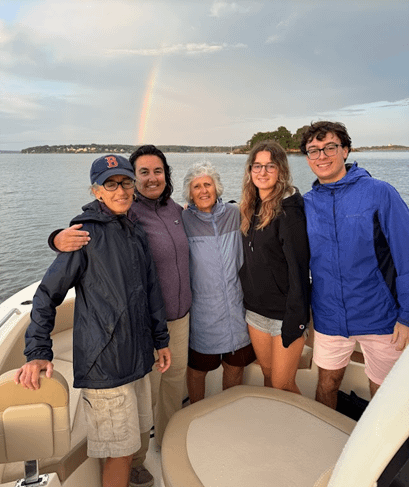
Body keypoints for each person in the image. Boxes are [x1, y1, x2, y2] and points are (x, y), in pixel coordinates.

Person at [14, 155, 171, 487]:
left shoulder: (135, 231)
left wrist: (161, 340)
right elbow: (46, 295)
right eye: (110, 184)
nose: (121, 190)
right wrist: (37, 351)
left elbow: (151, 290)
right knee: (119, 452)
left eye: (126, 182)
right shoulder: (83, 235)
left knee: (133, 443)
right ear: (97, 191)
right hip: (106, 365)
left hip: (138, 357)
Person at [49, 145, 191, 487]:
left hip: (170, 323)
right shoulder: (117, 219)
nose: (150, 178)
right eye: (142, 172)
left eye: (158, 171)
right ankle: (137, 463)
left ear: (166, 175)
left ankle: (168, 448)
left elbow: (154, 282)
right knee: (130, 427)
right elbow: (55, 280)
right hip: (125, 342)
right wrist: (55, 238)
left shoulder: (172, 212)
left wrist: (161, 337)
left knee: (163, 399)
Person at [300, 121, 409, 409]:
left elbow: (406, 255)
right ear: (307, 158)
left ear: (345, 150)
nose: (322, 156)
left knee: (384, 394)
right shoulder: (306, 204)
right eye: (313, 151)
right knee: (327, 385)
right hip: (329, 316)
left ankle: (382, 454)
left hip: (382, 317)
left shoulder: (380, 193)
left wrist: (407, 316)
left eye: (330, 148)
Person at [239, 141, 310, 393]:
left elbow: (299, 270)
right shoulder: (250, 207)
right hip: (256, 312)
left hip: (285, 315)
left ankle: (302, 430)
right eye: (257, 166)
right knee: (268, 376)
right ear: (250, 171)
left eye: (270, 166)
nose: (263, 172)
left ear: (281, 170)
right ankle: (278, 430)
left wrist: (296, 319)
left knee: (283, 383)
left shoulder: (290, 212)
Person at [182, 162, 256, 403]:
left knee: (235, 367)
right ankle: (196, 412)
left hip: (237, 309)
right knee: (198, 369)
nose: (203, 191)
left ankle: (228, 414)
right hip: (203, 313)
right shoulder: (182, 220)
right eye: (196, 186)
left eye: (208, 184)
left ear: (217, 188)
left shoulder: (235, 214)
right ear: (189, 193)